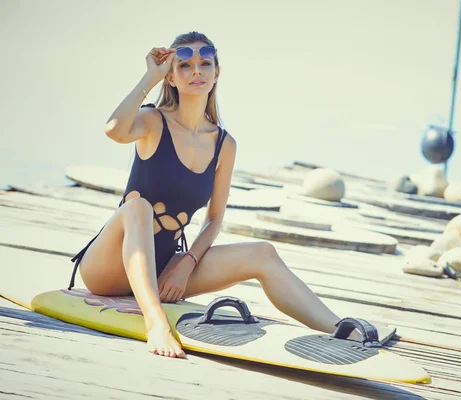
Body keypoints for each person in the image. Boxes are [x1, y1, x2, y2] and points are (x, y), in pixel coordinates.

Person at [68, 31, 358, 359]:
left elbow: (215, 219)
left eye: (205, 63)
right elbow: (114, 129)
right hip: (108, 268)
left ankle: (343, 330)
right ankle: (156, 323)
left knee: (262, 253)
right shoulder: (152, 121)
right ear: (172, 77)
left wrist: (186, 263)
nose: (196, 70)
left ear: (216, 73)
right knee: (139, 208)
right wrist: (150, 77)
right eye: (185, 65)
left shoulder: (224, 144)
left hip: (165, 270)